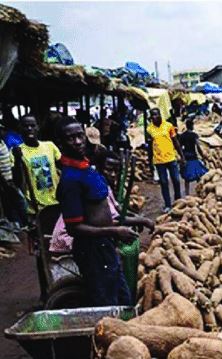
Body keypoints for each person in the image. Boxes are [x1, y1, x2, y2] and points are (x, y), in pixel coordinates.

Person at [55, 117, 141, 306]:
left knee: (122, 298)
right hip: (92, 250)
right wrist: (114, 231)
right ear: (61, 143)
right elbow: (74, 228)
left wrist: (131, 222)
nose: (77, 142)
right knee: (106, 302)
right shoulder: (70, 180)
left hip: (104, 246)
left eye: (80, 136)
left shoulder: (87, 169)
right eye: (71, 138)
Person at [51, 149, 154, 253]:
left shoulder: (104, 185)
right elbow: (108, 222)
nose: (113, 174)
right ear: (97, 167)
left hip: (91, 233)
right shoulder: (89, 185)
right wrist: (142, 221)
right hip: (69, 239)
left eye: (116, 171)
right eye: (108, 170)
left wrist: (137, 218)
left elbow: (117, 212)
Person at [14, 115, 61, 214]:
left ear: (38, 127)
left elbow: (63, 167)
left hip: (56, 202)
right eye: (25, 126)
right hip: (35, 207)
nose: (29, 129)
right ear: (20, 128)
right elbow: (18, 181)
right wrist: (18, 159)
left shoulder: (50, 146)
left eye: (32, 125)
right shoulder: (17, 151)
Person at [146, 108, 185, 212]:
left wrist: (182, 156)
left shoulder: (168, 126)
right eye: (152, 115)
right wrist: (150, 162)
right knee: (163, 183)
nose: (154, 117)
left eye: (156, 115)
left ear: (160, 115)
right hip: (159, 161)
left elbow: (175, 141)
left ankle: (178, 200)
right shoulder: (149, 129)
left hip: (171, 158)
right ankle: (167, 204)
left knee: (176, 180)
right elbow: (150, 147)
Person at [178, 119, 208, 195]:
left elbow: (179, 147)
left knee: (186, 177)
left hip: (186, 157)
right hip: (193, 156)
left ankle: (187, 193)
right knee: (198, 175)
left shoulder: (182, 136)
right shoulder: (194, 135)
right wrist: (202, 155)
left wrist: (181, 157)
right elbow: (198, 146)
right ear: (191, 126)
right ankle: (199, 192)